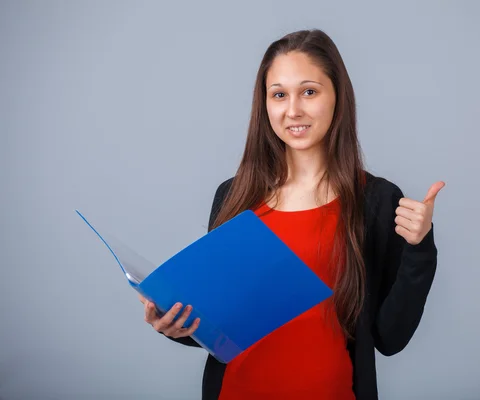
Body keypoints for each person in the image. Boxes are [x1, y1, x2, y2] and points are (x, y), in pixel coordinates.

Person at [139, 29, 443, 400]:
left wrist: (419, 247)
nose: (293, 110)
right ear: (264, 104)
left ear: (338, 98)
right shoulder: (233, 196)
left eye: (309, 91)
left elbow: (390, 337)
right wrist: (176, 325)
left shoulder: (376, 200)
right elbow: (222, 328)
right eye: (279, 94)